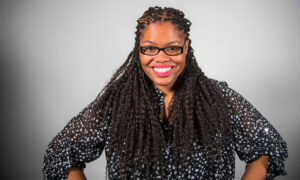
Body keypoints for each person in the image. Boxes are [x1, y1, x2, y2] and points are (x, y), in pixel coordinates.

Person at [43, 6, 288, 180]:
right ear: (138, 50)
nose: (161, 58)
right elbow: (61, 152)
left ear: (186, 47)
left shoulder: (219, 98)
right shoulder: (116, 103)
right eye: (149, 48)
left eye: (172, 48)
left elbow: (266, 148)